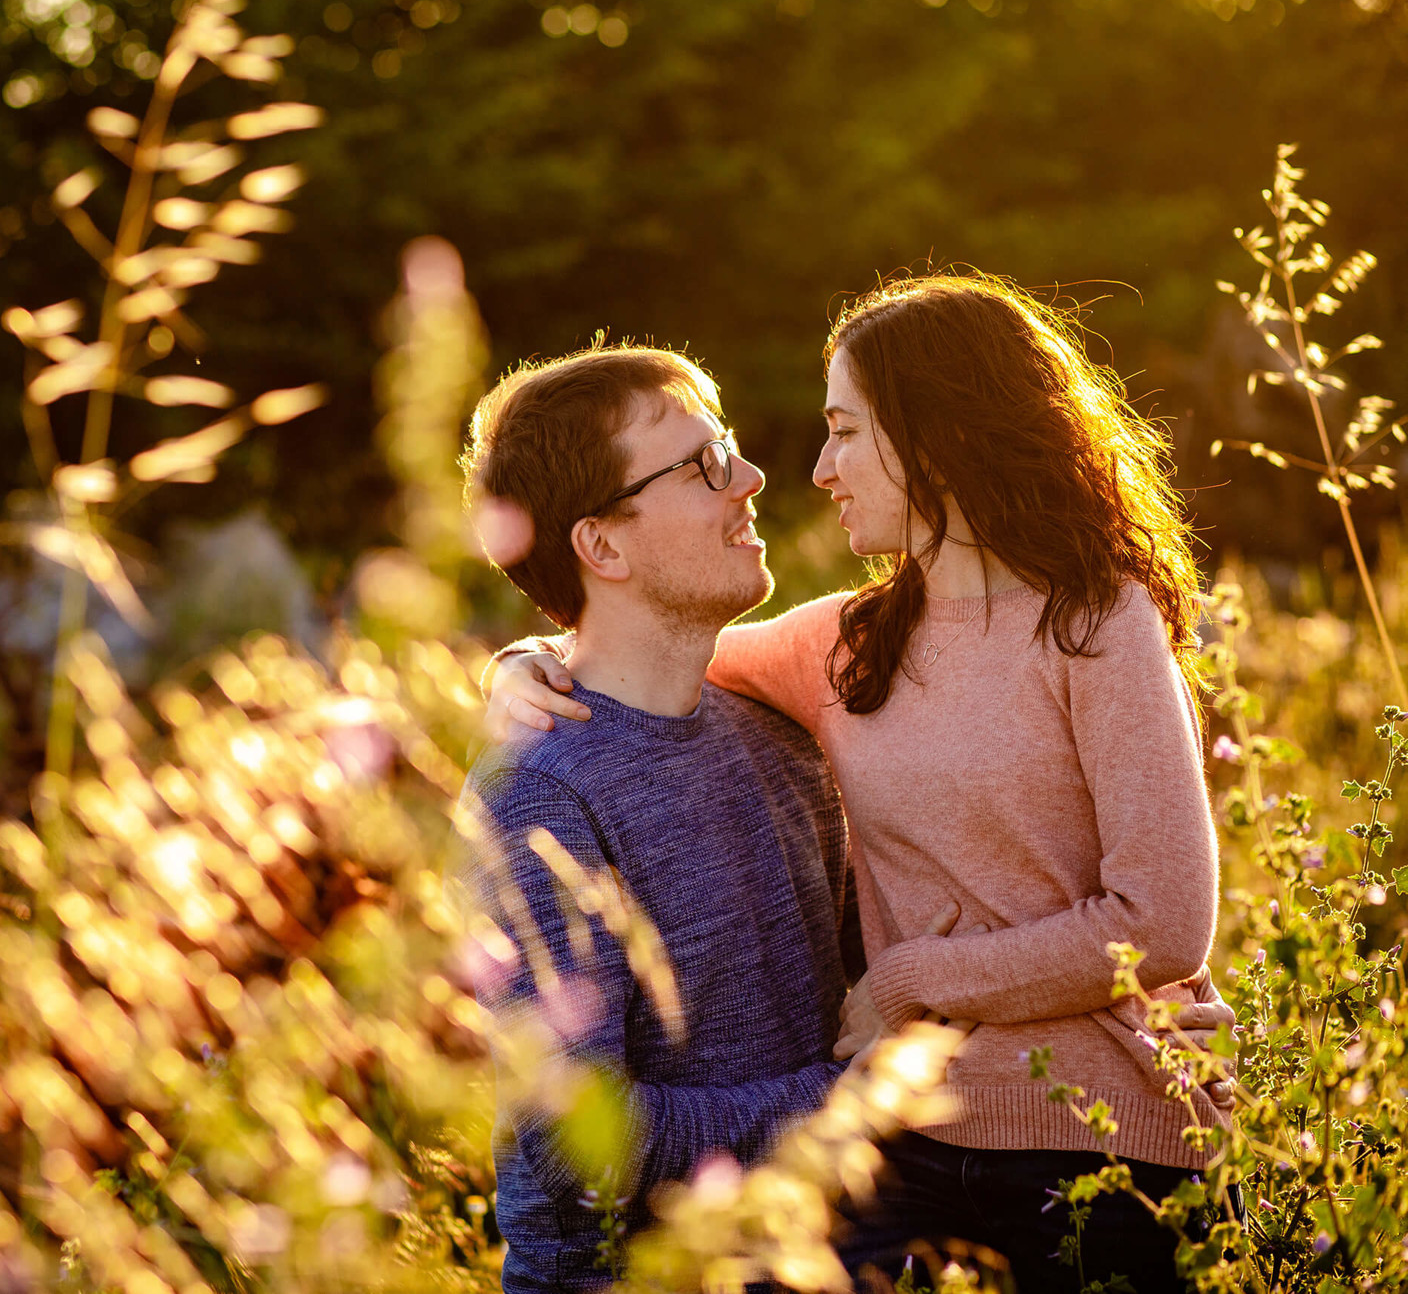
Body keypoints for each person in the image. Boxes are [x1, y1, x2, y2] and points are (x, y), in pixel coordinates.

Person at [485, 273, 1232, 1293]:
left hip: (1090, 1147)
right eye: (709, 463)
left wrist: (913, 983)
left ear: (937, 434)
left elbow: (1154, 919)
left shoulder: (1088, 622)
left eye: (842, 430)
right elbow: (635, 653)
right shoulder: (835, 652)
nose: (795, 470)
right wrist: (516, 663)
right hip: (891, 1161)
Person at [459, 346, 866, 1293]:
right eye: (704, 464)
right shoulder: (537, 795)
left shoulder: (784, 736)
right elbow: (576, 1141)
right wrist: (847, 1100)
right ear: (602, 545)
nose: (753, 478)